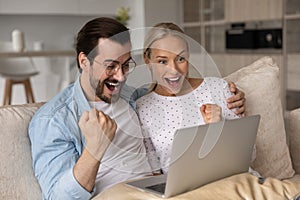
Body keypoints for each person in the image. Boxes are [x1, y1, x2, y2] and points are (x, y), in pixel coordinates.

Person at [29, 18, 246, 199]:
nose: (121, 76)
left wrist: (228, 94)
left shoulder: (133, 97)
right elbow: (57, 197)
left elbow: (171, 95)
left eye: (125, 65)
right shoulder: (53, 120)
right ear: (84, 61)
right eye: (111, 66)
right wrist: (94, 150)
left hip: (158, 189)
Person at [136, 22, 243, 173]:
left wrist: (219, 126)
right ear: (148, 61)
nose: (174, 71)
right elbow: (154, 172)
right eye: (162, 61)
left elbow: (250, 154)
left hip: (234, 182)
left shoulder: (218, 88)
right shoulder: (142, 109)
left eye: (180, 59)